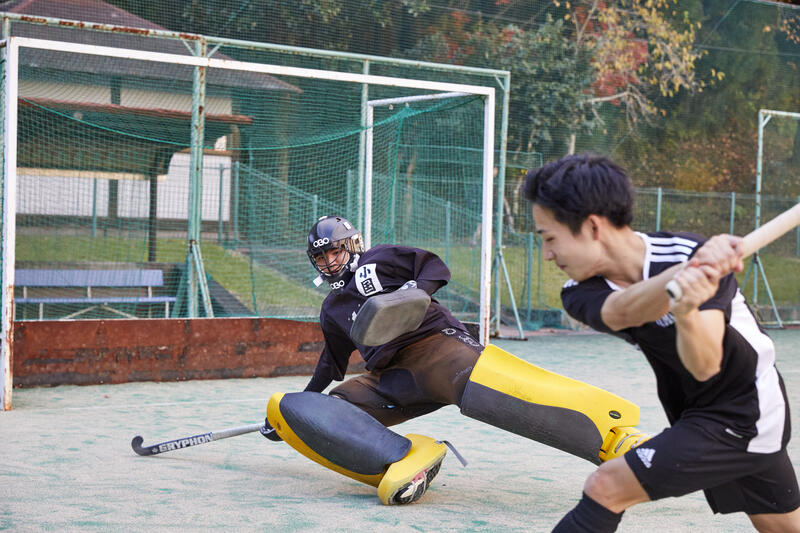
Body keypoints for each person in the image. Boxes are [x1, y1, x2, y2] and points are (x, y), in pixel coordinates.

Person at [262, 214, 651, 506]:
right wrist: (299, 415)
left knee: (509, 397)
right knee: (332, 414)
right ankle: (407, 460)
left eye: (335, 250)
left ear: (352, 245)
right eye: (322, 256)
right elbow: (331, 364)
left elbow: (432, 266)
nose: (330, 261)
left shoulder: (377, 260)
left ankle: (616, 437)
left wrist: (414, 292)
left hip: (437, 349)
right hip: (392, 381)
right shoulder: (332, 308)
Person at [522, 153, 800, 532]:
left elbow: (705, 364)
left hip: (746, 412)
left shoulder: (685, 252)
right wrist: (687, 274)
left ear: (591, 226)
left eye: (550, 238)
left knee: (607, 486)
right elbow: (622, 310)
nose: (547, 254)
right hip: (697, 412)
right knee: (783, 527)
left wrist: (686, 308)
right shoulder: (580, 292)